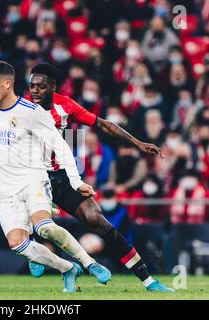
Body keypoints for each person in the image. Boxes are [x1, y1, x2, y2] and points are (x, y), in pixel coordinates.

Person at [0, 61, 111, 293]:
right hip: (6, 191)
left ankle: (90, 263)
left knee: (44, 228)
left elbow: (61, 147)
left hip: (33, 181)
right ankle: (67, 268)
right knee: (17, 243)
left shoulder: (32, 113)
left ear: (7, 83)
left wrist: (77, 182)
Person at [21, 62, 173, 292]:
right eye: (31, 86)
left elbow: (103, 124)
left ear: (53, 87)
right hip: (34, 177)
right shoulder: (21, 107)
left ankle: (148, 280)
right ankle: (39, 252)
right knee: (39, 224)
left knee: (98, 220)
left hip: (62, 177)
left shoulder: (66, 105)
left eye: (40, 87)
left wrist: (137, 142)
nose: (34, 91)